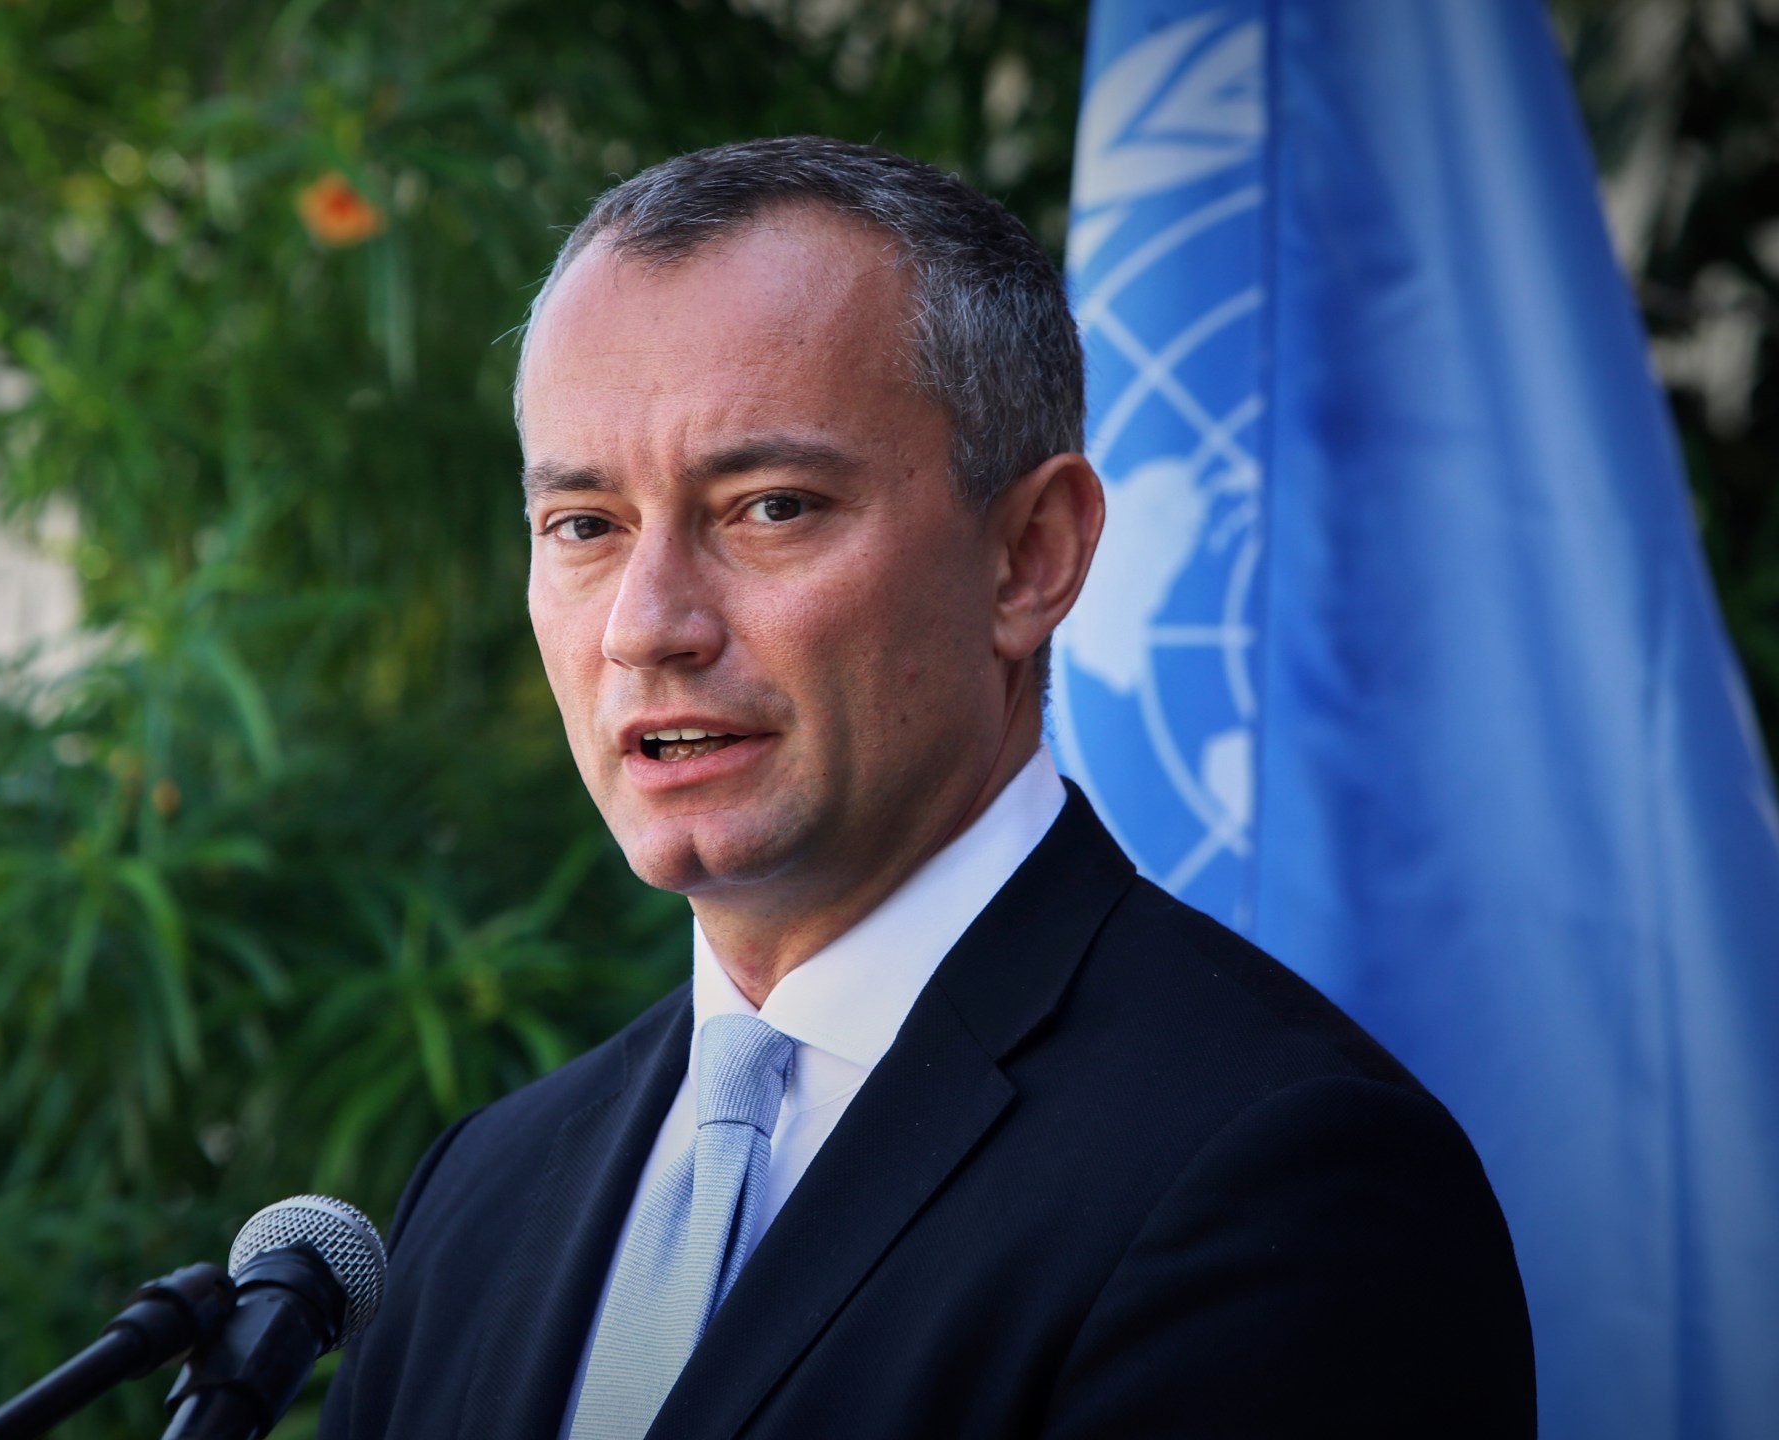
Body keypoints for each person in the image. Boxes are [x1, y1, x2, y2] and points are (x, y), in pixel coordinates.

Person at [318, 137, 1535, 1440]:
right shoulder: (476, 1198)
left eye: (769, 507)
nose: (645, 626)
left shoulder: (1283, 1176)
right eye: (584, 526)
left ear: (1029, 558)